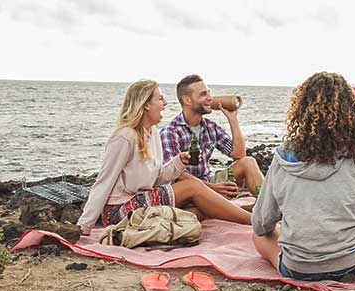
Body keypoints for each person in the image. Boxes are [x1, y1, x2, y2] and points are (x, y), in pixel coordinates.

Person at [252, 72, 355, 281]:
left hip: (296, 267)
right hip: (352, 265)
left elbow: (261, 223)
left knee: (258, 236)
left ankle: (299, 264)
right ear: (352, 111)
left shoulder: (282, 156)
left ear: (301, 110)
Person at [77, 80, 252, 235]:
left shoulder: (152, 133)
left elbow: (156, 178)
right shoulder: (125, 137)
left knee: (197, 211)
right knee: (192, 186)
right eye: (160, 99)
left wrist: (178, 162)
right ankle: (252, 220)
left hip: (142, 199)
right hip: (119, 209)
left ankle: (247, 212)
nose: (166, 103)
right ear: (146, 105)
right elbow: (104, 181)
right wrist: (84, 225)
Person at [161, 74, 264, 199]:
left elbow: (239, 154)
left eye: (209, 93)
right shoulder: (170, 132)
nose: (210, 98)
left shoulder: (210, 127)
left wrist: (233, 119)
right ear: (187, 100)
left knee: (248, 162)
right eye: (203, 94)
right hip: (185, 190)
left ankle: (267, 207)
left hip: (208, 183)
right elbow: (177, 174)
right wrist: (213, 188)